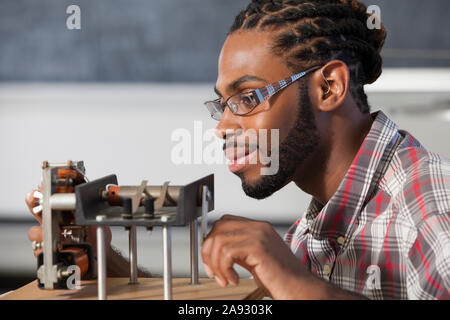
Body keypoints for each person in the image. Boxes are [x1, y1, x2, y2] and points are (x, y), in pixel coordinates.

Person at [27, 0, 450, 299]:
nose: (224, 128)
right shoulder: (317, 226)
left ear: (329, 86)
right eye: (222, 105)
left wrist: (295, 284)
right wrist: (105, 261)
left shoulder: (431, 206)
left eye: (247, 98)